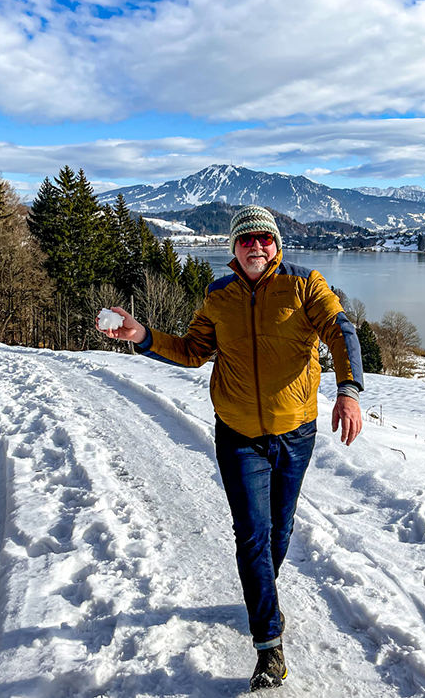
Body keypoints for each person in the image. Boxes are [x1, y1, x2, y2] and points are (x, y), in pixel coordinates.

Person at [98, 205, 364, 691]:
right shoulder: (218, 295)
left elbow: (340, 331)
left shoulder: (305, 284)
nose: (256, 246)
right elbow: (193, 351)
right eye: (246, 240)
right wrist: (142, 336)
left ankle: (260, 588)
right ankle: (269, 645)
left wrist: (348, 390)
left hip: (296, 432)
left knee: (278, 531)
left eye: (264, 238)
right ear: (233, 249)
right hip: (238, 434)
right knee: (253, 535)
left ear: (276, 243)